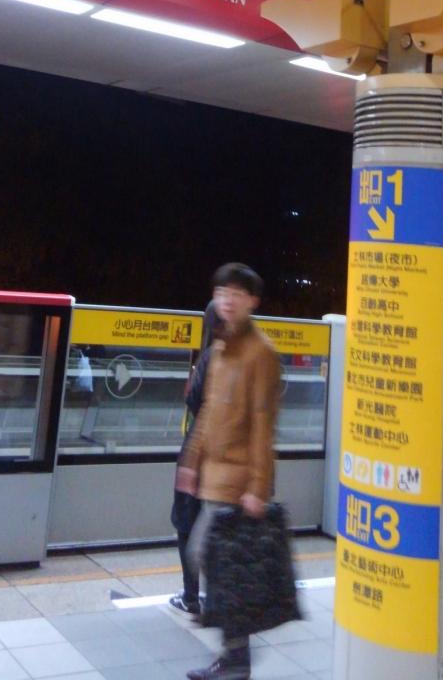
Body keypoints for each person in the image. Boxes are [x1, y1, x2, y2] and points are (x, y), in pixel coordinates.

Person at [179, 263, 281, 680]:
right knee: (213, 562)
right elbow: (208, 411)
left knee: (213, 561)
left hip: (237, 482)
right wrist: (191, 460)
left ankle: (237, 657)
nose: (227, 300)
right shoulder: (221, 347)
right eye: (222, 292)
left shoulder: (261, 352)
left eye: (237, 293)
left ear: (252, 300)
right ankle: (236, 655)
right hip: (213, 476)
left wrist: (258, 486)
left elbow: (263, 423)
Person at [169, 301, 224, 618]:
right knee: (218, 525)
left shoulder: (210, 356)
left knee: (187, 522)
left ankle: (192, 596)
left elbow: (195, 402)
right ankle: (214, 599)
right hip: (222, 459)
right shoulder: (238, 355)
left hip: (199, 453)